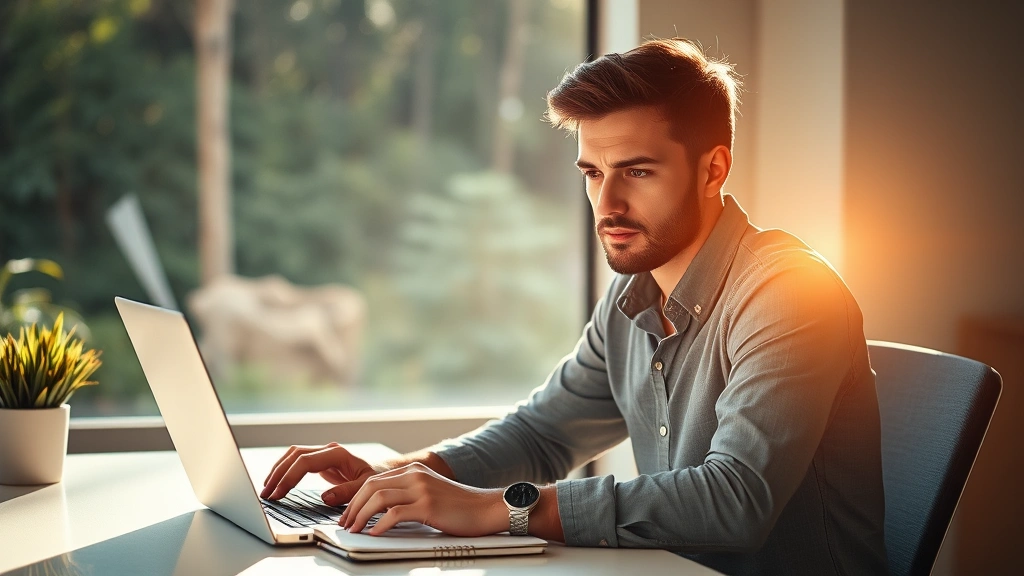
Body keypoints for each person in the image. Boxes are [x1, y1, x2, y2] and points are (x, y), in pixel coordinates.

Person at [261, 38, 888, 575]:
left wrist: (498, 508)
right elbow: (545, 432)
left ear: (712, 168)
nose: (607, 202)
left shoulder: (790, 292)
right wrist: (397, 475)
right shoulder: (632, 291)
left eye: (637, 172)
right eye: (592, 172)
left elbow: (735, 498)